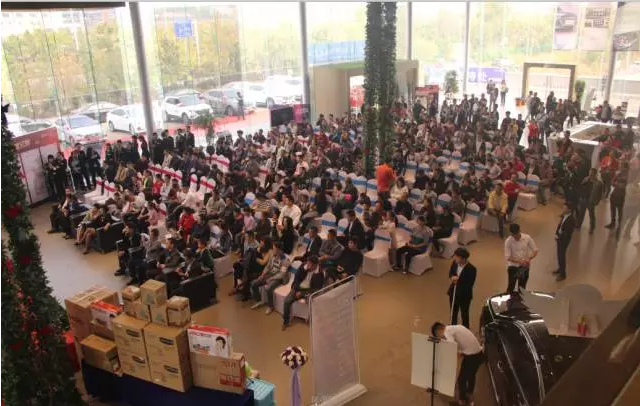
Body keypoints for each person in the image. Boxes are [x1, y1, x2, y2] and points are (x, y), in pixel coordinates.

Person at [431, 322, 484, 406]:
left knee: (461, 380)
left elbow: (452, 346)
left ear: (438, 331)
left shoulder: (447, 331)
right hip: (479, 353)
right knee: (471, 376)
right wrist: (460, 353)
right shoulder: (456, 327)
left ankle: (462, 402)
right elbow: (465, 342)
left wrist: (448, 361)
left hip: (471, 356)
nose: (441, 338)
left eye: (439, 336)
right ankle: (469, 396)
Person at [282, 256, 325, 330]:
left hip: (308, 291)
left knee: (312, 301)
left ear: (315, 265)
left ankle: (313, 321)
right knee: (286, 301)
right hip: (298, 288)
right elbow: (296, 279)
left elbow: (316, 289)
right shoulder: (303, 266)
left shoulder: (319, 273)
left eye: (310, 264)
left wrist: (302, 293)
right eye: (308, 263)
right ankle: (285, 322)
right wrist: (297, 290)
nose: (308, 265)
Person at [250, 241, 291, 314]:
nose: (273, 250)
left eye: (274, 249)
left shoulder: (285, 259)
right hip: (270, 274)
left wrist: (271, 278)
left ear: (279, 250)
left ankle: (270, 306)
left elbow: (282, 274)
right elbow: (268, 266)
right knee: (253, 283)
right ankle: (259, 300)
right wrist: (262, 274)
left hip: (278, 278)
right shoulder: (273, 256)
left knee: (269, 288)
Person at [447, 248, 477, 329]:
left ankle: (465, 330)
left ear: (463, 259)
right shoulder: (454, 263)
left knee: (464, 314)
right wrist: (452, 277)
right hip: (453, 292)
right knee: (453, 312)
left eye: (457, 257)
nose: (455, 258)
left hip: (464, 296)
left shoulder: (471, 269)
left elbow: (469, 284)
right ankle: (453, 328)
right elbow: (451, 273)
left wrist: (458, 281)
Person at [504, 223, 538, 292]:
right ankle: (509, 298)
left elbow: (535, 250)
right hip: (513, 266)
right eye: (513, 235)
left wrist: (529, 258)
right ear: (511, 234)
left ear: (519, 231)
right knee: (511, 287)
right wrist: (519, 262)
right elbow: (508, 257)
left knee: (522, 288)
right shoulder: (508, 241)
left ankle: (520, 298)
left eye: (517, 234)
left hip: (524, 266)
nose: (516, 237)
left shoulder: (527, 238)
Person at [553, 201, 576, 282]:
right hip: (559, 238)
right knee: (559, 255)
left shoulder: (571, 219)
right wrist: (556, 233)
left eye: (564, 208)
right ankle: (560, 268)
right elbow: (560, 226)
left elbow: (567, 233)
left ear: (569, 209)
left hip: (563, 240)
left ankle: (563, 274)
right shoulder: (564, 216)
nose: (563, 209)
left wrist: (559, 237)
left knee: (561, 256)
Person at [577, 168, 604, 234]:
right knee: (581, 213)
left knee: (591, 215)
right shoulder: (586, 179)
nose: (590, 174)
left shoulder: (599, 183)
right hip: (583, 199)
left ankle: (592, 228)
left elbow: (600, 194)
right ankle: (578, 225)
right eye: (589, 172)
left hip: (591, 201)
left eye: (592, 173)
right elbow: (581, 186)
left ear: (595, 174)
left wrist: (597, 201)